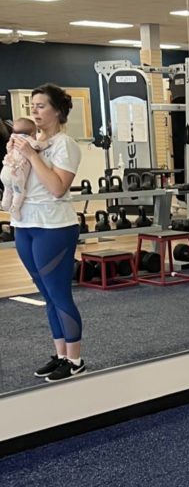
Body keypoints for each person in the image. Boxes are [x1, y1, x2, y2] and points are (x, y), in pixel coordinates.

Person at [10, 84, 85, 382]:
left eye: (41, 105)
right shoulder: (29, 141)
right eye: (32, 105)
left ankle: (76, 360)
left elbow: (56, 188)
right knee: (47, 296)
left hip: (53, 226)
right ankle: (61, 355)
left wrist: (30, 155)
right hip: (24, 224)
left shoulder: (65, 144)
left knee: (59, 294)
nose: (34, 111)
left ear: (57, 110)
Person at [1, 117, 48, 219]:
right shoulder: (26, 140)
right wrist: (47, 143)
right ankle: (15, 208)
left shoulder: (12, 139)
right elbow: (38, 146)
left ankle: (5, 203)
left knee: (8, 188)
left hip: (5, 170)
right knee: (19, 191)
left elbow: (8, 149)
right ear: (32, 133)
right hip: (16, 173)